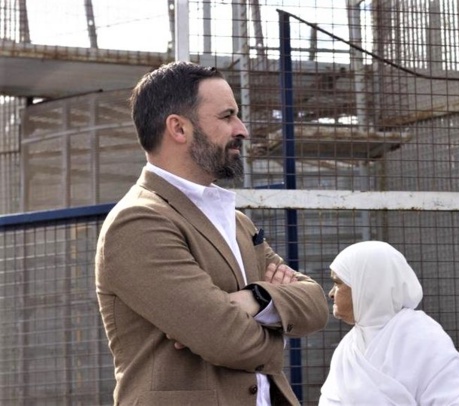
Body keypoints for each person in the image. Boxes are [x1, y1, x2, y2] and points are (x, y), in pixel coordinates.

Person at [95, 61, 329, 406]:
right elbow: (226, 340)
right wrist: (278, 329)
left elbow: (316, 303)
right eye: (227, 116)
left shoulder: (235, 221)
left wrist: (256, 300)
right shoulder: (139, 221)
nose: (242, 129)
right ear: (178, 128)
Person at [320, 240, 459, 405]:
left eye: (338, 283)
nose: (331, 293)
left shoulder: (426, 340)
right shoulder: (348, 349)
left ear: (366, 285)